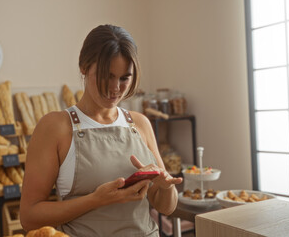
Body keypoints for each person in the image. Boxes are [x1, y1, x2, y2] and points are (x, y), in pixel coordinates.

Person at [20, 24, 183, 236]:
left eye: (125, 78)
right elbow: (29, 217)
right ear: (83, 67)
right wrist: (96, 200)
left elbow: (166, 207)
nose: (115, 88)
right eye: (107, 75)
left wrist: (165, 186)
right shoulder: (55, 127)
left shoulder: (140, 124)